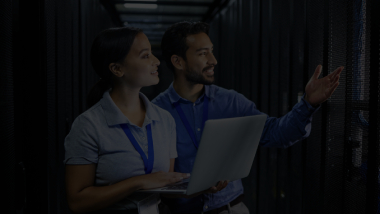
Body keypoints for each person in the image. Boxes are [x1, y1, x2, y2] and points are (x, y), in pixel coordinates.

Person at [151, 21, 344, 214]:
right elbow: (154, 176)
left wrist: (308, 103)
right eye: (203, 53)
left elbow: (276, 133)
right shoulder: (156, 112)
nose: (213, 60)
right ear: (178, 62)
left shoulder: (231, 101)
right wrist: (190, 187)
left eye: (211, 51)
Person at [63, 27, 190, 214]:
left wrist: (199, 186)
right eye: (145, 56)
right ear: (117, 69)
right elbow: (77, 201)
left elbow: (163, 186)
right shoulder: (88, 126)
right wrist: (137, 182)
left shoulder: (165, 119)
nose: (156, 62)